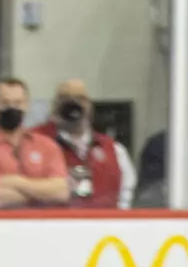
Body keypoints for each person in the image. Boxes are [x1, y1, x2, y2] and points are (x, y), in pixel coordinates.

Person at [0, 77, 69, 209]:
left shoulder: (46, 145)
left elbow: (62, 192)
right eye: (4, 103)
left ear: (27, 104)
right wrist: (43, 193)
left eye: (18, 103)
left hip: (42, 225)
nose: (12, 108)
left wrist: (16, 182)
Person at [30, 78, 136, 209]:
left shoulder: (114, 150)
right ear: (54, 106)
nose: (73, 103)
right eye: (65, 98)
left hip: (101, 226)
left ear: (90, 106)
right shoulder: (32, 143)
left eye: (80, 98)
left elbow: (125, 198)